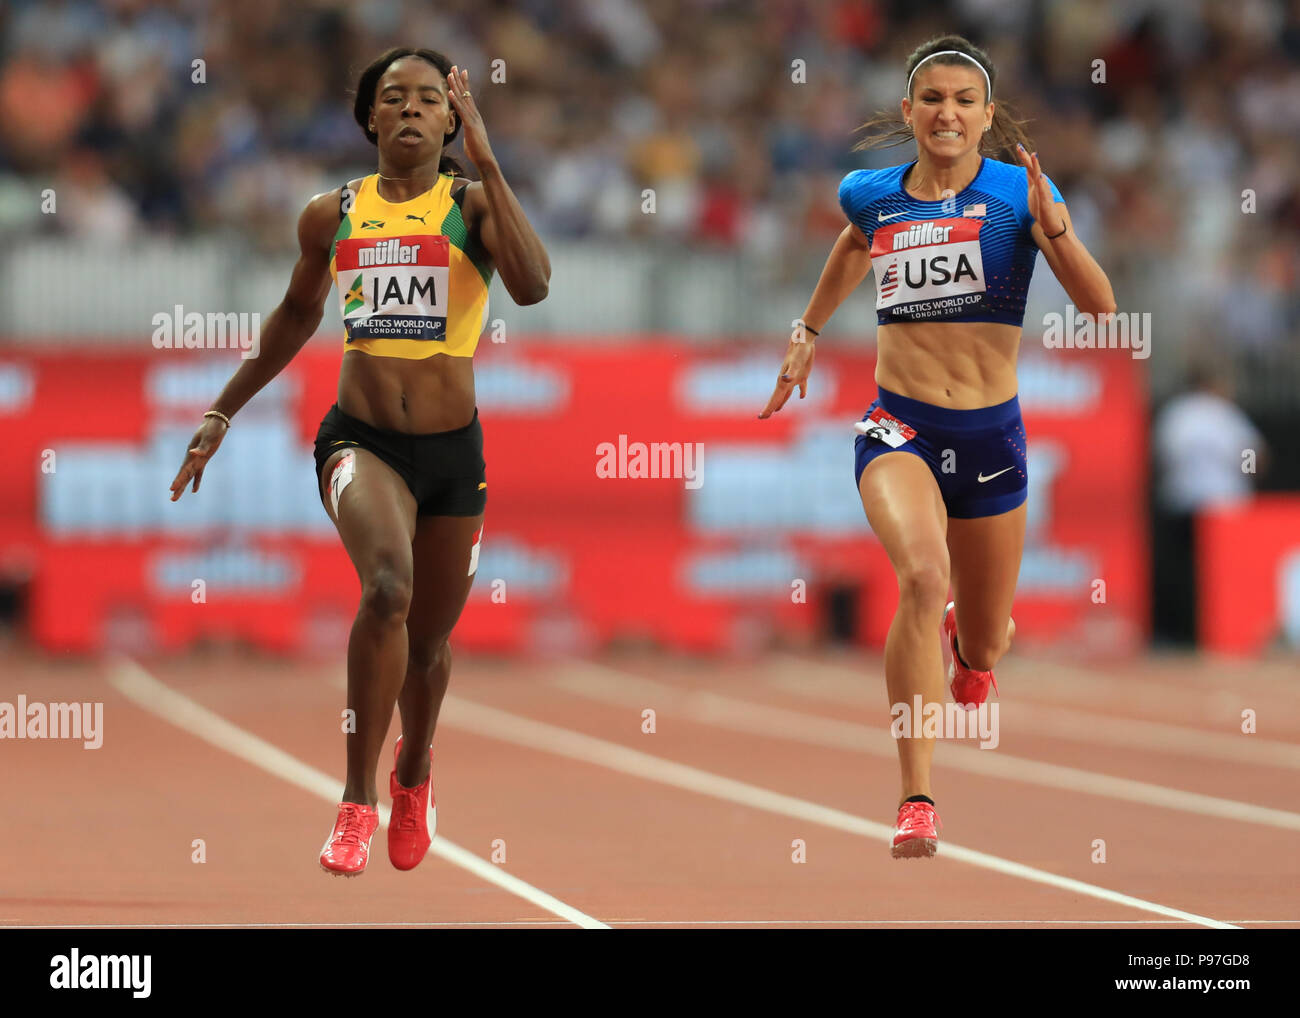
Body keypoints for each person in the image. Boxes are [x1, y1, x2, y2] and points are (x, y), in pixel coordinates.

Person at [169, 47, 550, 876]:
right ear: (370, 118)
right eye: (393, 98)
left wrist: (489, 163)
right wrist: (220, 409)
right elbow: (293, 317)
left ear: (451, 119)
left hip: (454, 453)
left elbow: (533, 287)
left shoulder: (474, 205)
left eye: (427, 100)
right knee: (386, 589)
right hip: (360, 439)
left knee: (428, 643)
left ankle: (412, 773)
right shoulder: (332, 214)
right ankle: (354, 800)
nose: (410, 110)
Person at [759, 35, 1114, 858]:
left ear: (987, 117)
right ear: (910, 111)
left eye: (964, 100)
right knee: (921, 575)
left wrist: (1058, 234)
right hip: (900, 426)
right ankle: (916, 797)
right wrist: (808, 329)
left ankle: (971, 643)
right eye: (932, 98)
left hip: (991, 435)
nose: (947, 112)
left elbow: (1100, 309)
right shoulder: (871, 193)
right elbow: (854, 242)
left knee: (987, 643)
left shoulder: (1017, 192)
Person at [1151, 360, 1268, 647]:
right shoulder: (1224, 414)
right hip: (1223, 507)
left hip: (1183, 503)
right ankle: (1225, 633)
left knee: (1184, 574)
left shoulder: (1175, 414)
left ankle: (1184, 634)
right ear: (1212, 384)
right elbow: (1255, 457)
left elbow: (1160, 460)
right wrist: (1246, 475)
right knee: (1223, 575)